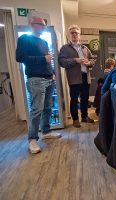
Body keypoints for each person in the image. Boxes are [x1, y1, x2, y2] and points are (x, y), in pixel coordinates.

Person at [16, 16, 61, 154]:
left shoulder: (44, 41)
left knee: (47, 107)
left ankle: (46, 131)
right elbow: (20, 58)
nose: (43, 27)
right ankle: (32, 139)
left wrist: (52, 72)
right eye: (41, 24)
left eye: (44, 25)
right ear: (32, 24)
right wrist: (43, 58)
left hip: (48, 78)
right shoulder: (24, 39)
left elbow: (48, 61)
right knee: (36, 109)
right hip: (35, 79)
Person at [58, 24, 95, 128]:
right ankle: (75, 119)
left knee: (85, 98)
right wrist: (75, 60)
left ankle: (84, 117)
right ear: (69, 35)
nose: (74, 35)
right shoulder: (65, 48)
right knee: (74, 99)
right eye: (72, 33)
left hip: (85, 77)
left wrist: (89, 63)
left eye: (76, 33)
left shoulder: (85, 48)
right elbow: (61, 62)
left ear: (79, 35)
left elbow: (92, 60)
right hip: (74, 78)